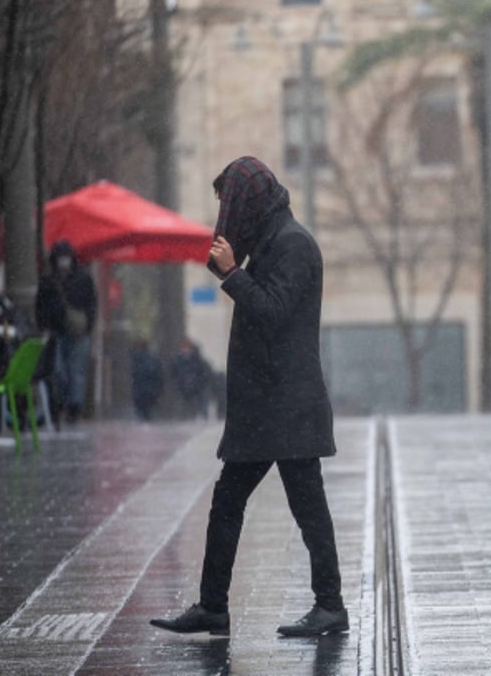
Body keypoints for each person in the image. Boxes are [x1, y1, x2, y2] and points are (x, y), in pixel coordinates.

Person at [151, 156, 348, 638]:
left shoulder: (293, 245)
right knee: (230, 502)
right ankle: (214, 606)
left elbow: (274, 312)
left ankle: (329, 605)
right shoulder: (272, 241)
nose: (226, 214)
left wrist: (232, 273)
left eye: (229, 203)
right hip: (267, 407)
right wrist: (236, 270)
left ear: (249, 202)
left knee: (307, 509)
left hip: (287, 406)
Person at [35, 240, 97, 425]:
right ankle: (60, 404)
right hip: (56, 332)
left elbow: (92, 304)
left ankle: (73, 408)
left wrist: (88, 326)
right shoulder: (48, 279)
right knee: (58, 370)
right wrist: (44, 324)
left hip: (78, 332)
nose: (63, 262)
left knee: (75, 371)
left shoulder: (82, 278)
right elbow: (40, 305)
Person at [170, 337, 213, 419]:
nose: (185, 349)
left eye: (187, 347)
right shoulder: (178, 361)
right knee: (184, 412)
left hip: (196, 391)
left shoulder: (199, 361)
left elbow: (204, 375)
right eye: (184, 347)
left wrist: (198, 384)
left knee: (194, 412)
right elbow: (174, 374)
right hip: (183, 391)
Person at [129, 337, 165, 421]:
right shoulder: (152, 359)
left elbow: (134, 373)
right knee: (147, 412)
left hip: (141, 390)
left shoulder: (136, 358)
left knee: (142, 412)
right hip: (149, 390)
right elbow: (158, 374)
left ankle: (144, 422)